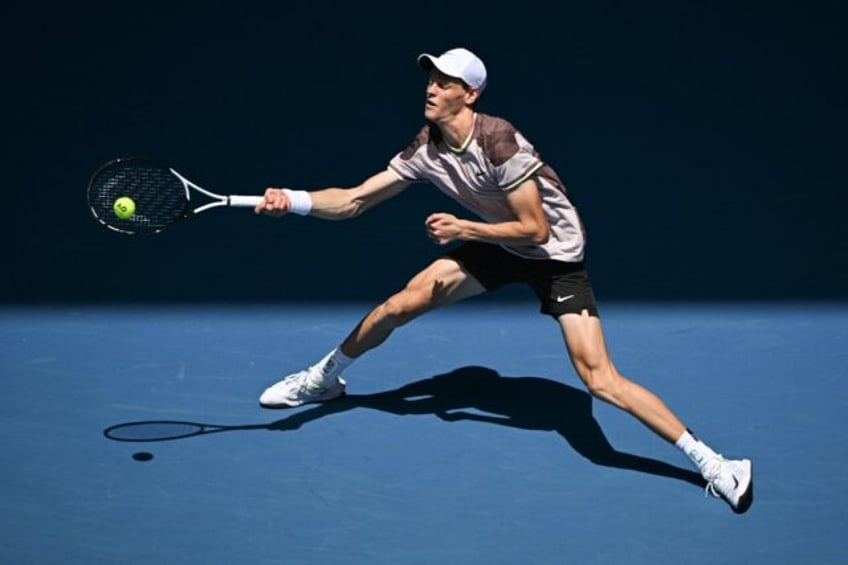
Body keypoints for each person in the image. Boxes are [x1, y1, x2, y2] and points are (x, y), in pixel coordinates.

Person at [253, 47, 753, 514]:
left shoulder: (500, 142)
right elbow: (356, 199)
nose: (431, 87)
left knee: (600, 379)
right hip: (501, 244)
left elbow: (536, 229)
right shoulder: (428, 146)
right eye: (431, 77)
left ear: (469, 94)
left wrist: (461, 227)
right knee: (401, 304)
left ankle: (716, 464)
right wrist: (293, 200)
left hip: (555, 259)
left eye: (445, 81)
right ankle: (324, 379)